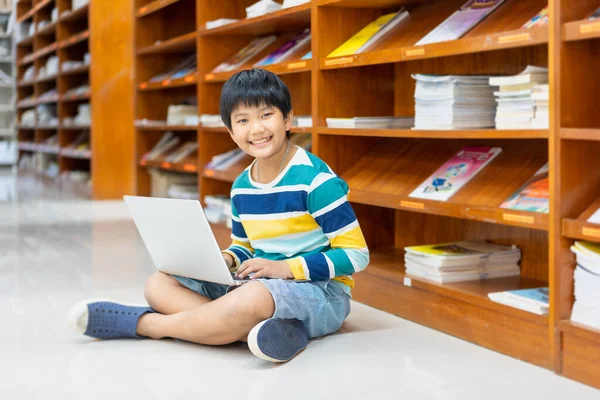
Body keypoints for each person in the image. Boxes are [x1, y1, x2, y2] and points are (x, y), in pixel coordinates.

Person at [69, 68, 370, 363]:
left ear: (288, 118)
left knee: (250, 299)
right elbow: (246, 247)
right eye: (243, 120)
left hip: (321, 292)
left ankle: (148, 325)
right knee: (159, 284)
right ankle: (258, 331)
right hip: (259, 283)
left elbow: (357, 255)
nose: (256, 129)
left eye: (266, 115)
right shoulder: (241, 187)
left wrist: (286, 269)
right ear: (231, 131)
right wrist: (226, 259)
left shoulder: (317, 181)